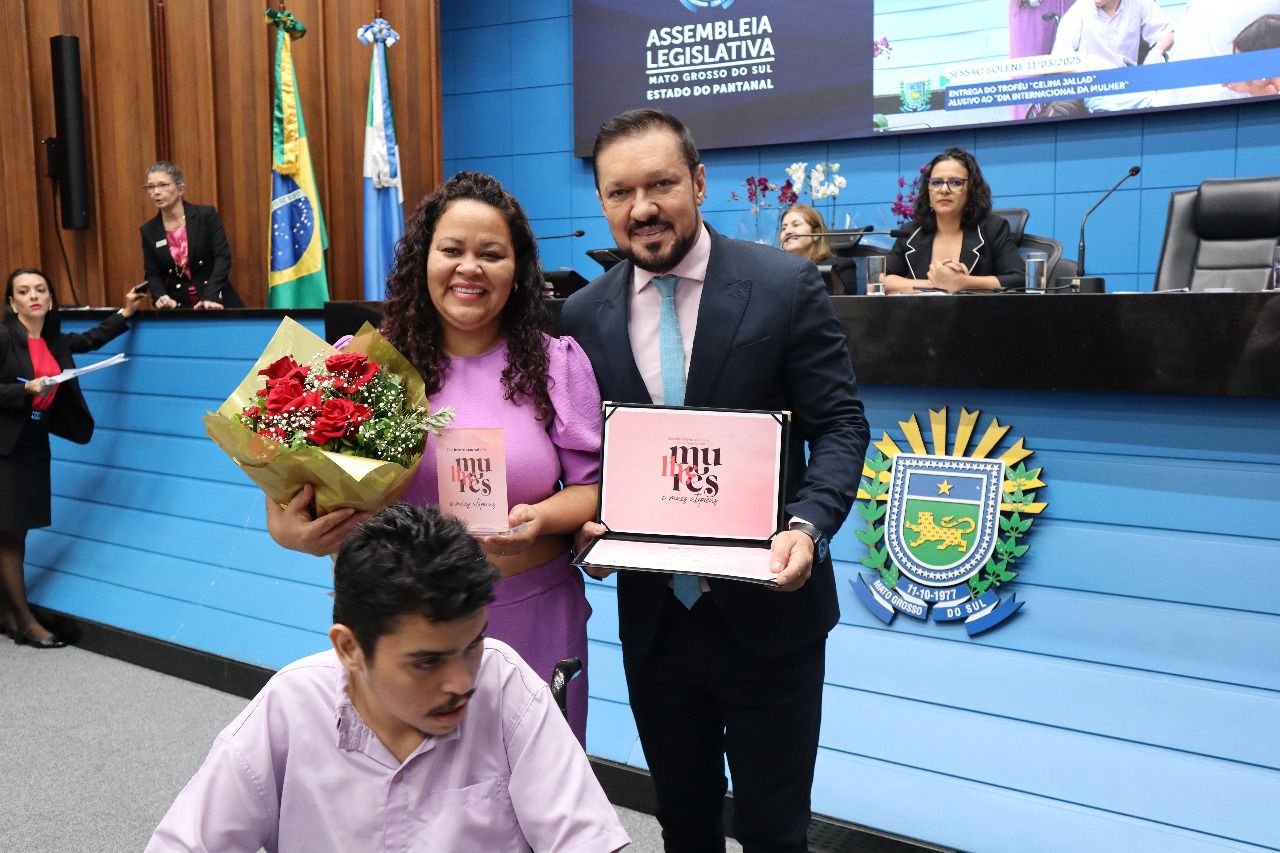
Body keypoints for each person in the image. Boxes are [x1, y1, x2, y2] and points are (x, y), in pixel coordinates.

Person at [560, 109, 869, 852]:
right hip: (658, 619)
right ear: (602, 201)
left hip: (772, 610)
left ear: (698, 182)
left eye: (661, 184)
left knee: (773, 830)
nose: (642, 207)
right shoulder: (581, 315)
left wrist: (807, 526)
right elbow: (588, 456)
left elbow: (839, 424)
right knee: (684, 822)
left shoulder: (784, 284)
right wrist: (585, 525)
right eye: (620, 192)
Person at [266, 171, 602, 742]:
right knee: (400, 785)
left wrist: (541, 518)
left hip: (529, 612)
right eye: (452, 250)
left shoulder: (555, 364)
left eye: (491, 254)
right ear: (423, 259)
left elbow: (592, 489)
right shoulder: (363, 363)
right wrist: (293, 532)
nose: (470, 267)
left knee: (532, 786)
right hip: (395, 624)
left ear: (517, 269)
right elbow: (287, 492)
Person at [146, 504, 630, 852]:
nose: (461, 682)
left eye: (472, 645)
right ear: (349, 649)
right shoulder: (291, 707)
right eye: (426, 662)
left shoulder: (505, 684)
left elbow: (585, 839)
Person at [1, 268, 146, 648]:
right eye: (24, 291)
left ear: (50, 299)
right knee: (10, 534)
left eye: (40, 289)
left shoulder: (54, 341)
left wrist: (125, 312)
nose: (34, 296)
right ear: (12, 303)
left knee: (18, 530)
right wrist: (24, 391)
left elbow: (91, 339)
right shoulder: (4, 338)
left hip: (34, 443)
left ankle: (9, 614)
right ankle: (25, 622)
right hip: (4, 447)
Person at [885, 147, 1024, 293]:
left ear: (971, 190)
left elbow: (1020, 279)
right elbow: (879, 280)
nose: (944, 190)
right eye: (936, 182)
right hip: (922, 308)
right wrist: (934, 284)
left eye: (956, 182)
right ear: (928, 191)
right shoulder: (911, 232)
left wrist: (963, 282)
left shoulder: (992, 228)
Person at [140, 161, 242, 309]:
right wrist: (160, 296)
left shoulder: (205, 216)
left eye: (163, 185)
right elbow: (152, 274)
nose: (156, 192)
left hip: (216, 301)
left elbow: (222, 257)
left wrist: (210, 296)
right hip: (179, 308)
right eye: (151, 187)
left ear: (180, 189)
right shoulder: (149, 230)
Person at [1052, 0, 1175, 69]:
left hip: (1127, 80)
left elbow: (1166, 33)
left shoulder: (1138, 3)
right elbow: (1060, 56)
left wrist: (1155, 54)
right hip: (1089, 81)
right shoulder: (1079, 9)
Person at [778, 203, 857, 294]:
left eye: (796, 225)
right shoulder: (777, 270)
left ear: (816, 233)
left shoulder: (841, 267)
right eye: (783, 228)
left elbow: (844, 302)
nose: (787, 231)